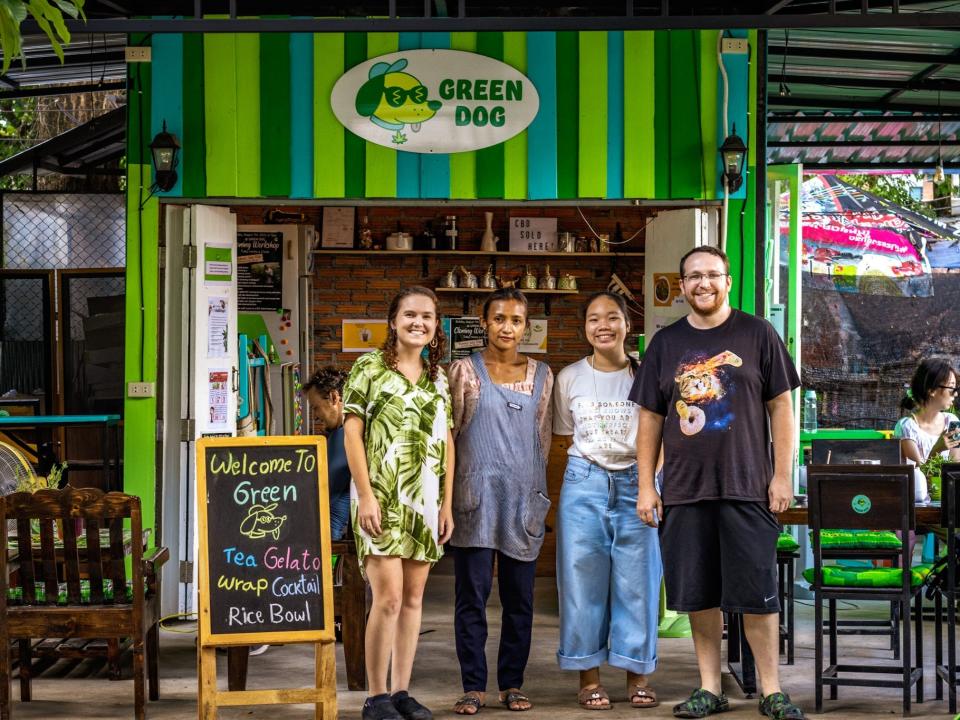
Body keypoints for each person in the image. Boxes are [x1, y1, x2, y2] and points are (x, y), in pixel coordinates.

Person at [632, 246, 806, 720]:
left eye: (712, 275)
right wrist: (647, 485)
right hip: (685, 491)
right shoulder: (665, 344)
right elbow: (649, 418)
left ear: (728, 280)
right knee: (698, 594)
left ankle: (771, 690)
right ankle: (710, 686)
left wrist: (782, 474)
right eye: (693, 276)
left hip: (748, 486)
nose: (703, 283)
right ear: (683, 284)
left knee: (758, 593)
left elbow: (782, 408)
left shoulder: (758, 334)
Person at [342, 286, 455, 720]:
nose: (418, 323)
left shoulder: (437, 377)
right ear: (393, 320)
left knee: (412, 600)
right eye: (410, 314)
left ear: (435, 326)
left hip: (424, 499)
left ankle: (402, 691)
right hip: (381, 496)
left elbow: (446, 441)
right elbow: (352, 433)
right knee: (386, 598)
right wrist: (366, 495)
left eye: (427, 316)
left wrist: (445, 504)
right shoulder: (367, 367)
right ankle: (376, 696)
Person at [553, 291, 662, 711]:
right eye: (594, 319)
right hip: (584, 482)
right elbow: (565, 436)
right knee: (582, 582)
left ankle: (638, 676)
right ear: (585, 328)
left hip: (639, 480)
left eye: (612, 317)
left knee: (639, 583)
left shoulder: (647, 373)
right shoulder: (569, 378)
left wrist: (652, 481)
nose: (603, 325)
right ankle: (589, 678)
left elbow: (664, 431)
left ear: (626, 325)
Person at [447, 289, 554, 715]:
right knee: (471, 596)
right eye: (499, 319)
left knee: (520, 600)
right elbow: (449, 438)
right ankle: (473, 685)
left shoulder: (544, 376)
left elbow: (543, 439)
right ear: (484, 322)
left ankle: (512, 683)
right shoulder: (462, 372)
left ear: (525, 326)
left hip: (523, 499)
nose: (507, 327)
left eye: (515, 320)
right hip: (474, 498)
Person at [304, 366, 351, 540]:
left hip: (335, 540)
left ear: (333, 397)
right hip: (327, 535)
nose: (315, 415)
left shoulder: (349, 436)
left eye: (316, 407)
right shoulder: (336, 434)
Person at [895, 358, 960, 483]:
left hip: (947, 494)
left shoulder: (952, 421)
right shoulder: (907, 427)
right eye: (952, 388)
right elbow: (920, 477)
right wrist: (937, 449)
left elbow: (955, 471)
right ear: (932, 391)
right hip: (921, 499)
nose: (956, 394)